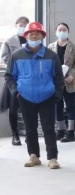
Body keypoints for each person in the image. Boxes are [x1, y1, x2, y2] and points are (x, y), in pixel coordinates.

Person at [5, 22, 64, 169]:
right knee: (30, 128)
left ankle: (52, 158)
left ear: (42, 36)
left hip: (47, 96)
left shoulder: (51, 56)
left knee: (48, 128)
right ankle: (33, 156)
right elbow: (9, 76)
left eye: (37, 34)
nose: (34, 36)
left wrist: (57, 94)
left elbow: (59, 77)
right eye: (31, 34)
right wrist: (16, 92)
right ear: (26, 36)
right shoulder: (16, 55)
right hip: (25, 97)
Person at [48, 23, 75, 143]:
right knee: (58, 106)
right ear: (56, 32)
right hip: (56, 81)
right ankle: (60, 130)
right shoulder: (50, 46)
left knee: (70, 106)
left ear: (68, 32)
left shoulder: (74, 46)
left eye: (64, 30)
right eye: (60, 30)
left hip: (70, 81)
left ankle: (71, 132)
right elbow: (48, 63)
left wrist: (71, 75)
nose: (62, 32)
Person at [1, 16, 30, 146]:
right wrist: (16, 65)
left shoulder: (32, 40)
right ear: (15, 25)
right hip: (14, 77)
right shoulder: (9, 41)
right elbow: (4, 57)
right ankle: (15, 134)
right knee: (13, 108)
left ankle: (29, 134)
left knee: (29, 108)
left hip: (29, 78)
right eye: (20, 25)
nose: (22, 27)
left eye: (25, 25)